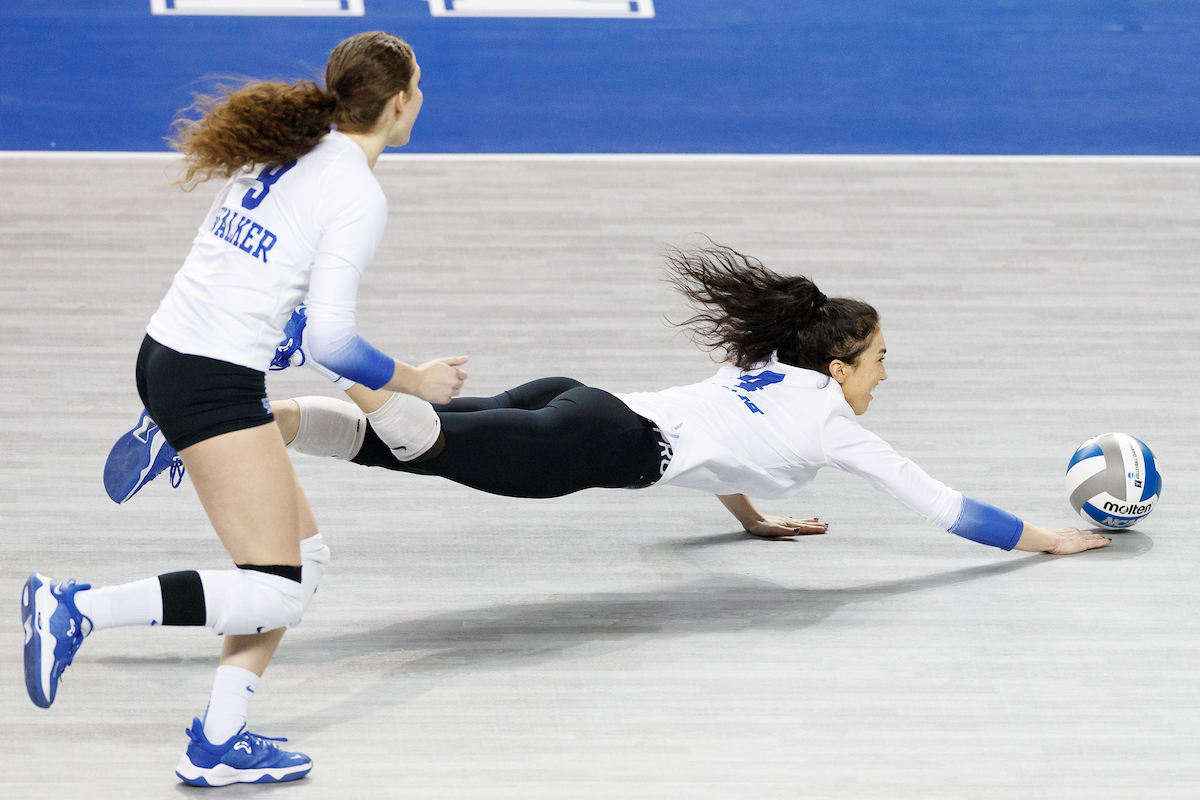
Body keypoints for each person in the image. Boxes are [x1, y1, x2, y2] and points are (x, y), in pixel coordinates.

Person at [22, 31, 466, 787]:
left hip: (171, 352)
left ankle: (218, 741)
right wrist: (414, 383)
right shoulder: (356, 192)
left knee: (302, 565)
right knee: (275, 586)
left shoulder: (293, 143)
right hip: (208, 381)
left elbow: (281, 296)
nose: (419, 98)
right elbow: (334, 338)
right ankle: (76, 608)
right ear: (398, 102)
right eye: (417, 88)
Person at [117, 243, 1112, 556]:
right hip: (593, 443)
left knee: (418, 441)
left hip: (583, 401)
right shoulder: (830, 419)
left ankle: (261, 411)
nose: (890, 371)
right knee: (407, 442)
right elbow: (939, 503)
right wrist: (1047, 538)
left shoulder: (768, 375)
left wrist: (754, 516)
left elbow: (721, 445)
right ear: (843, 364)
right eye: (883, 355)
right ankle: (271, 400)